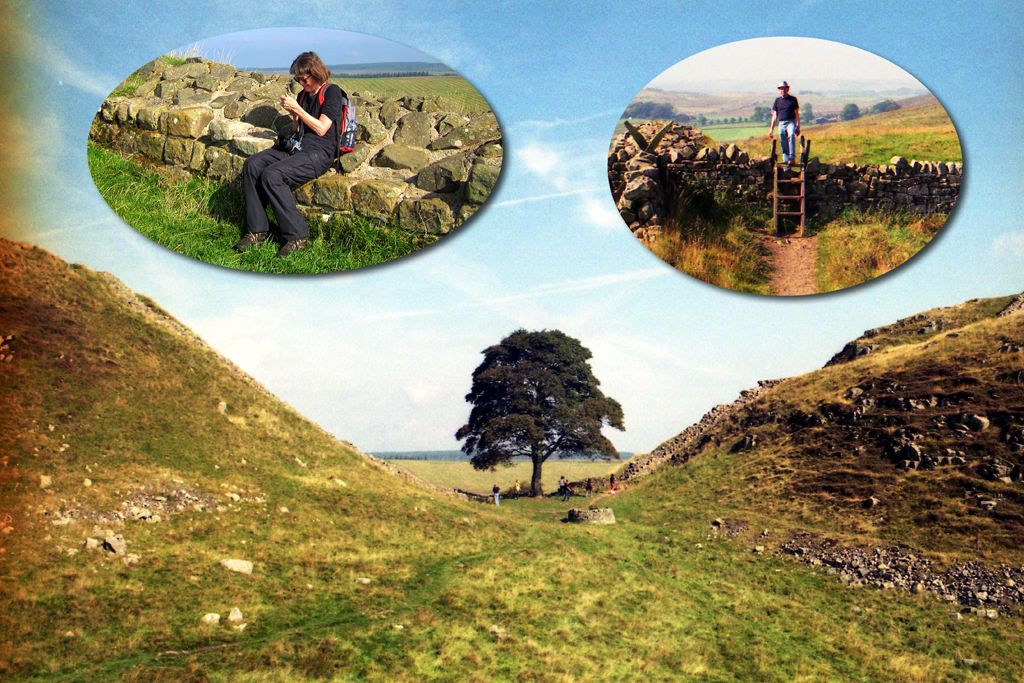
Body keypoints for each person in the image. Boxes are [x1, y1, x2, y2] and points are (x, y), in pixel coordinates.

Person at [235, 51, 343, 258]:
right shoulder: (303, 95)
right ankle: (257, 231)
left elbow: (321, 128)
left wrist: (299, 110)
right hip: (297, 147)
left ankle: (297, 237)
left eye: (304, 78)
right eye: (297, 79)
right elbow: (297, 131)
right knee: (253, 164)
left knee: (273, 175)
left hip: (319, 153)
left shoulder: (332, 92)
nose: (301, 83)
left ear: (317, 73)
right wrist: (295, 115)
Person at [768, 81, 800, 167]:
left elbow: (796, 113)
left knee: (791, 135)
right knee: (783, 139)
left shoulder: (793, 99)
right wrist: (771, 129)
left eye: (784, 89)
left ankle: (792, 157)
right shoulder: (777, 101)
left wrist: (797, 126)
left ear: (787, 89)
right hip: (781, 123)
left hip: (791, 121)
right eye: (781, 89)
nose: (783, 91)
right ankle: (786, 160)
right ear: (779, 90)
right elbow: (775, 115)